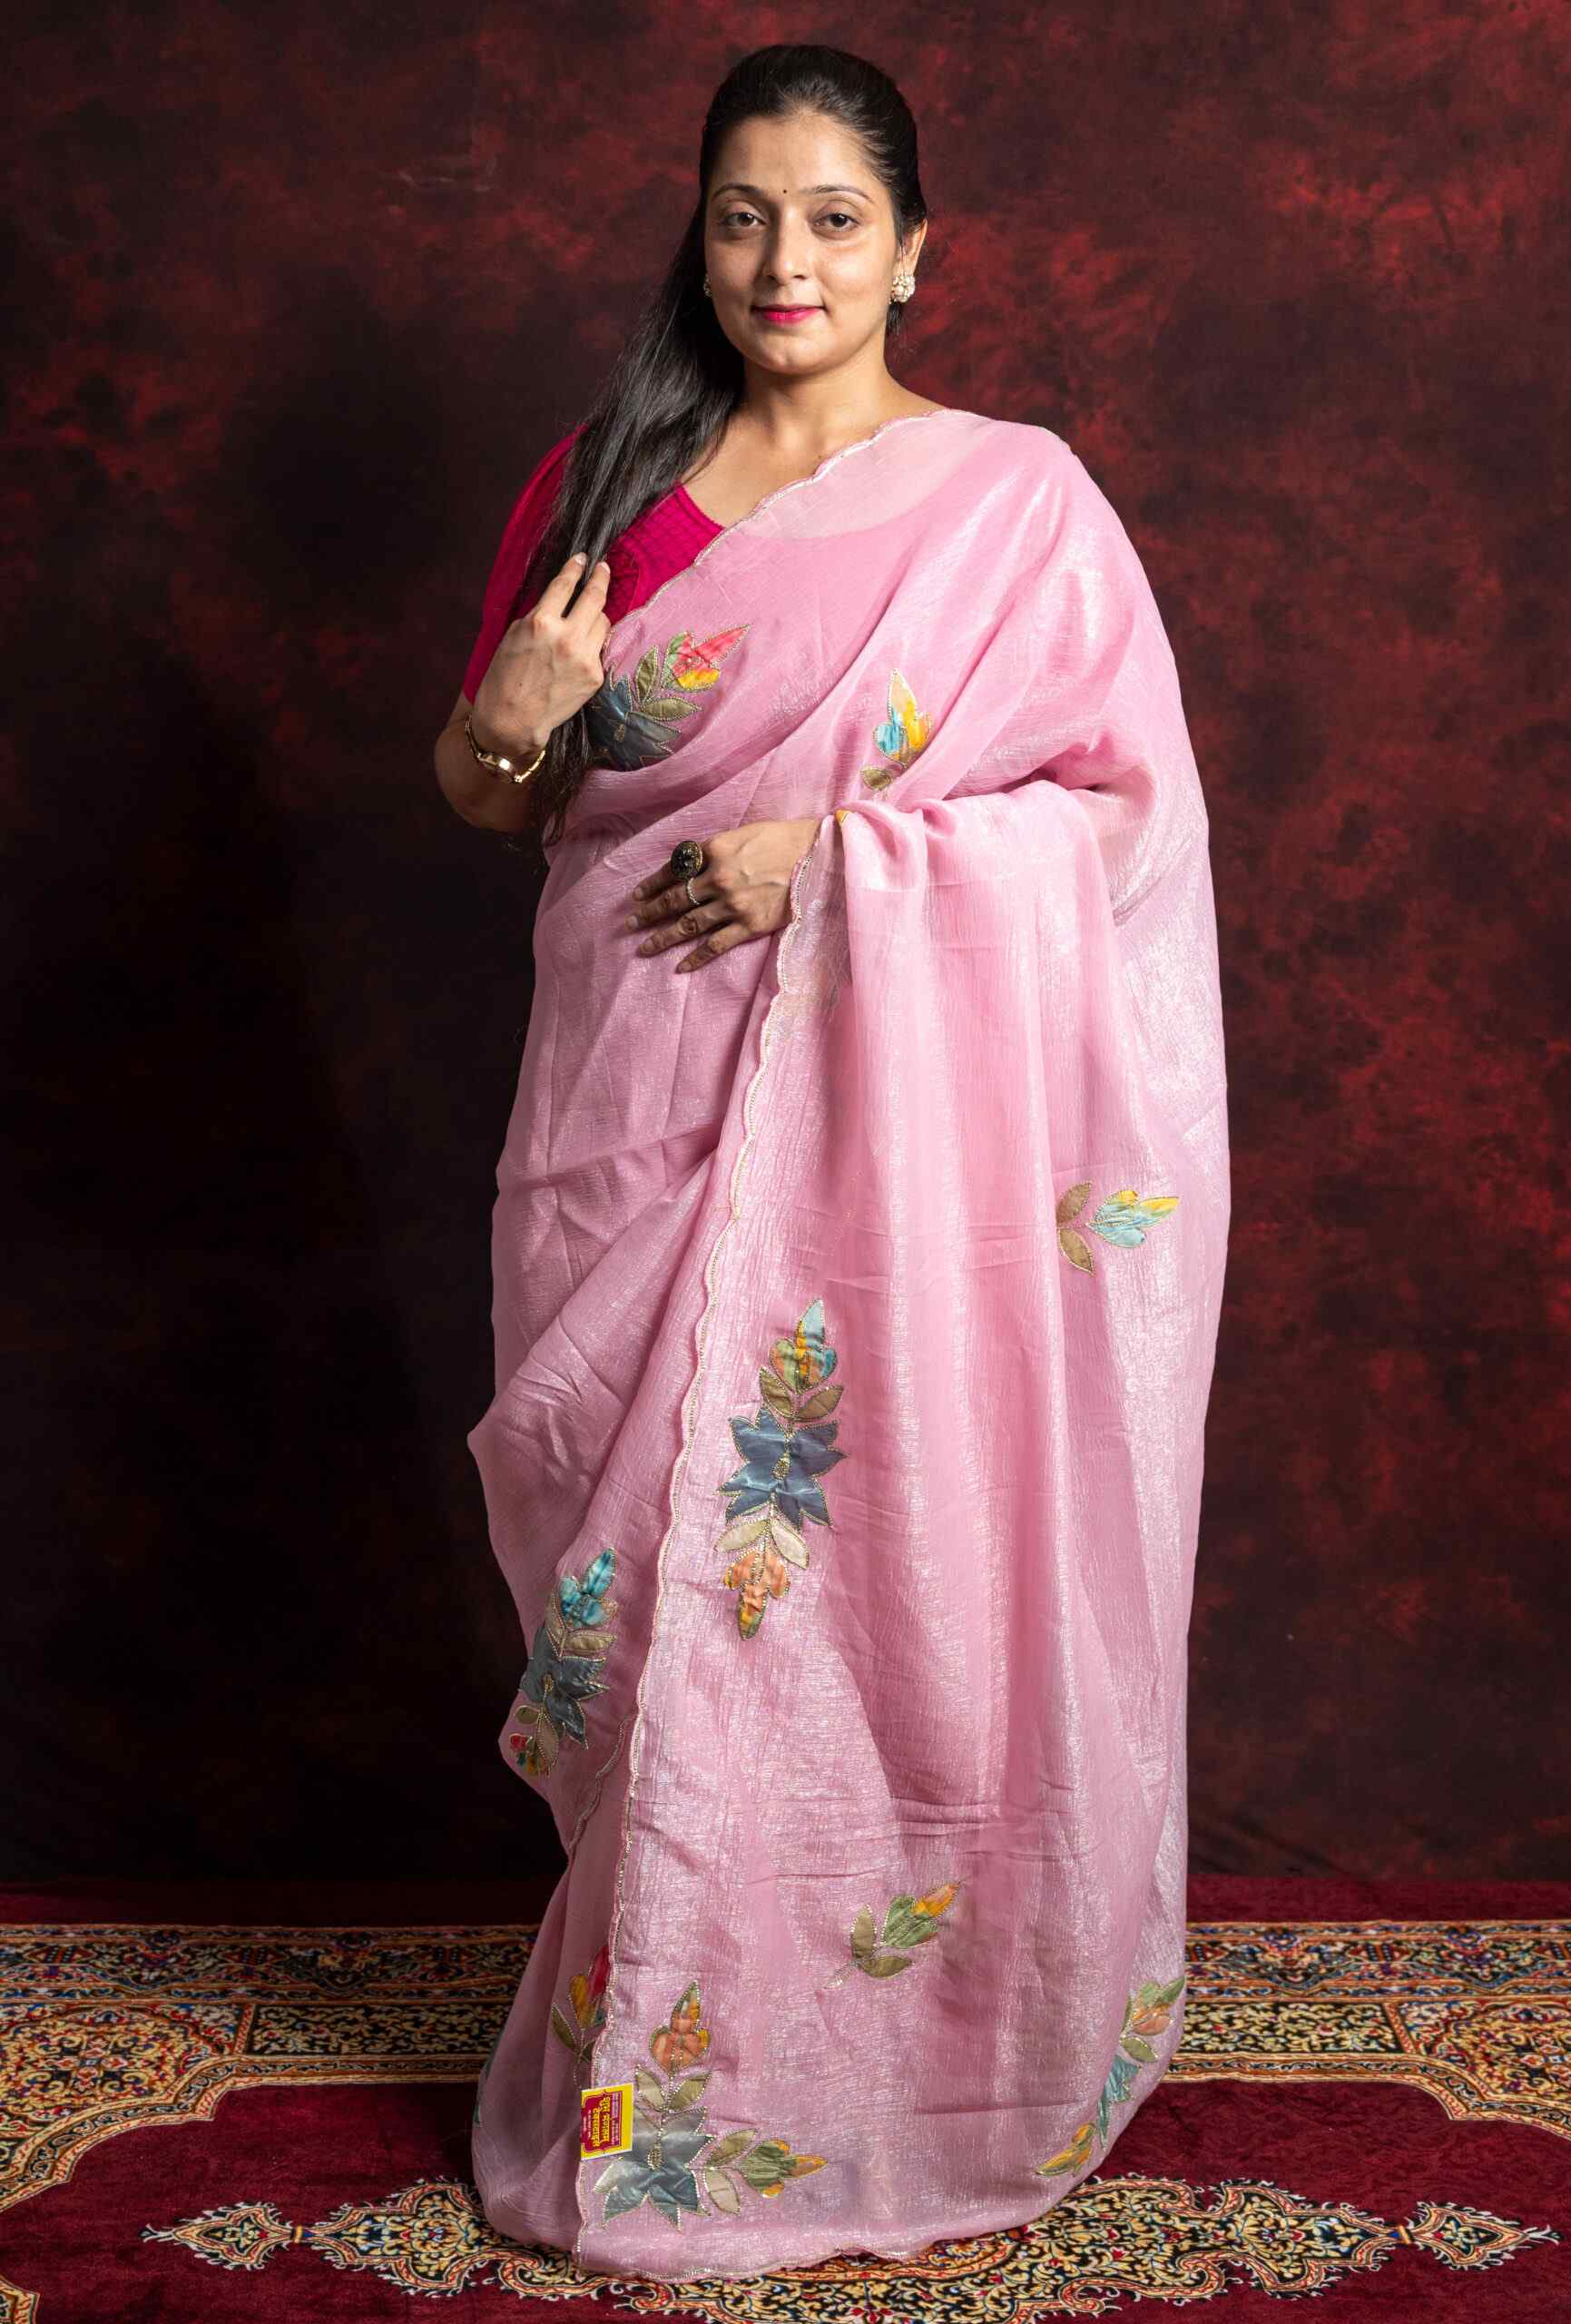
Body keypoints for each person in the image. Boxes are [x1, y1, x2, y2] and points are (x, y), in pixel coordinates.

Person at [435, 40, 1230, 2286]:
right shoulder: (612, 483)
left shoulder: (1016, 507)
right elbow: (494, 786)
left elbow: (1117, 822)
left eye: (835, 218)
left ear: (915, 252)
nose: (785, 260)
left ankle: (890, 2070)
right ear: (700, 236)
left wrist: (839, 858)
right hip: (625, 1112)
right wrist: (504, 725)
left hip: (899, 1161)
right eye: (743, 215)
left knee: (865, 1603)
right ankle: (670, 2063)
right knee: (631, 1603)